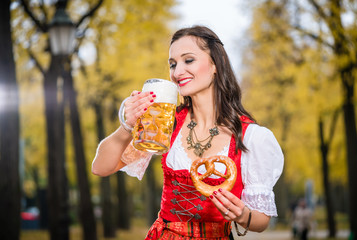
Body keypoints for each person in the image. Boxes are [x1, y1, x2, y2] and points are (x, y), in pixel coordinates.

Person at [92, 25, 284, 239]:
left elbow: (261, 221)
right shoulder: (165, 124)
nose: (177, 72)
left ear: (215, 65)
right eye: (172, 64)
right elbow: (101, 168)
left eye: (188, 60)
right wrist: (127, 126)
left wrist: (242, 214)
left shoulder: (251, 136)